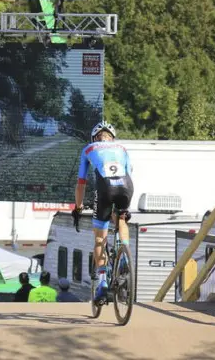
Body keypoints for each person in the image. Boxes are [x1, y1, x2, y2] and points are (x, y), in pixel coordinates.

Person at [72, 121, 134, 303]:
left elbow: (81, 184)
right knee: (121, 219)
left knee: (100, 239)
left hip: (105, 190)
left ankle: (102, 284)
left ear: (94, 137)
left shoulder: (89, 149)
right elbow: (129, 172)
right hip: (126, 188)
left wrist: (78, 207)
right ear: (112, 138)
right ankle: (125, 256)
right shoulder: (122, 148)